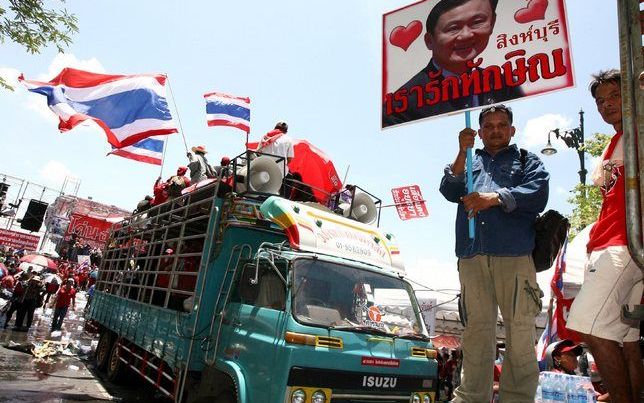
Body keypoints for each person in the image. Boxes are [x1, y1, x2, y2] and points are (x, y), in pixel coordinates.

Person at [439, 104, 549, 402]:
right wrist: (463, 151)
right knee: (476, 332)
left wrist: (495, 198)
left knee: (521, 333)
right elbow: (449, 189)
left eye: (502, 125)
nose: (496, 130)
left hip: (514, 255)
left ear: (512, 130)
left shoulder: (528, 160)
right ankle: (471, 397)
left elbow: (538, 193)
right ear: (480, 131)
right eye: (489, 126)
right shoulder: (470, 160)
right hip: (471, 256)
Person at [566, 69, 643, 403]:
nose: (607, 104)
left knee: (589, 326)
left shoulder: (639, 128)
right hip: (611, 242)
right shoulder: (616, 140)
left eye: (615, 96)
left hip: (623, 245)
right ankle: (626, 394)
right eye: (601, 100)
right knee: (626, 337)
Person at [382, 0, 523, 127]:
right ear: (429, 40)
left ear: (492, 23)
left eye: (477, 22)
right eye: (453, 28)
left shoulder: (505, 84)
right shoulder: (400, 105)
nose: (466, 35)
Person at [257, 121, 295, 196]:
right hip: (279, 171)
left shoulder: (265, 136)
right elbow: (289, 159)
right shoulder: (288, 139)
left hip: (263, 167)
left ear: (275, 128)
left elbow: (258, 153)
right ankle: (284, 198)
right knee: (289, 179)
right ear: (286, 131)